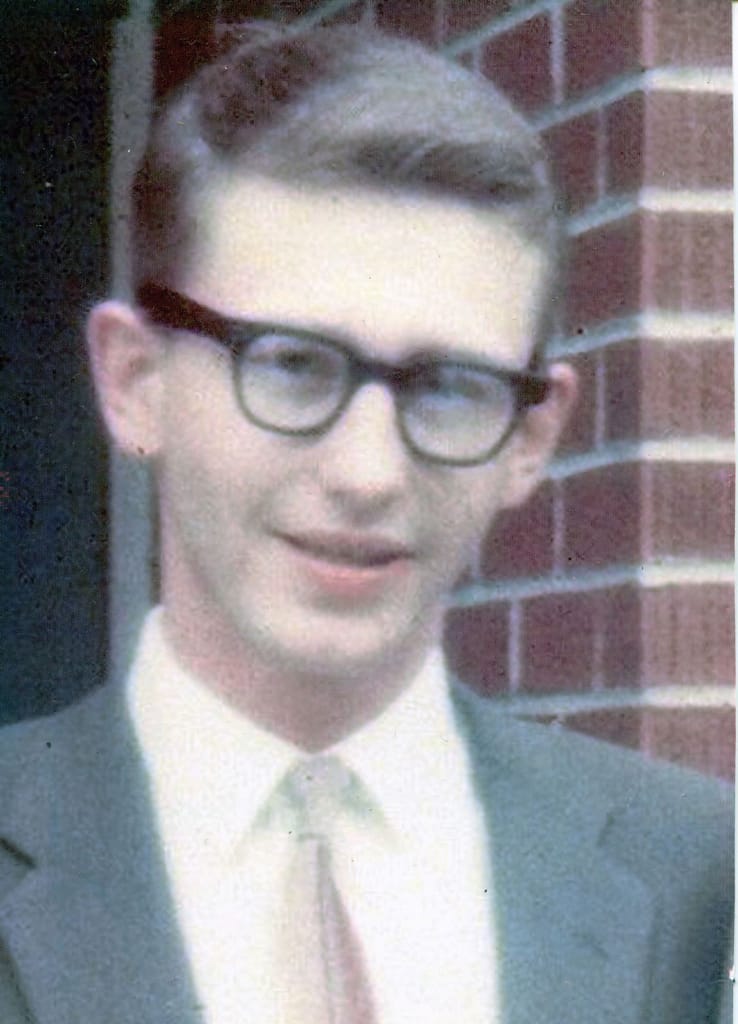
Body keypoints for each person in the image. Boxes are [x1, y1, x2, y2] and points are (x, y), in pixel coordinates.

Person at [0, 20, 731, 1024]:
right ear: (136, 382)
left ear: (531, 434)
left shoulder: (698, 876)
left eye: (450, 386)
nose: (368, 472)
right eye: (292, 365)